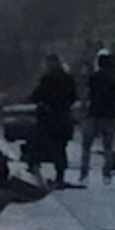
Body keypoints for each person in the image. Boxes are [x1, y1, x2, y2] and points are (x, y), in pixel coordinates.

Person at [30, 54, 78, 188]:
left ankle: (34, 175)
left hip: (48, 118)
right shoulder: (68, 79)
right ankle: (60, 177)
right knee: (60, 148)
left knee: (37, 146)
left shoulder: (47, 79)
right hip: (64, 117)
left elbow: (36, 96)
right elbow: (73, 97)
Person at [81, 53, 115, 184]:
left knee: (87, 145)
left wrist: (83, 107)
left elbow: (87, 93)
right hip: (109, 115)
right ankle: (107, 174)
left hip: (94, 113)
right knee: (108, 146)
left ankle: (84, 173)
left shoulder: (94, 77)